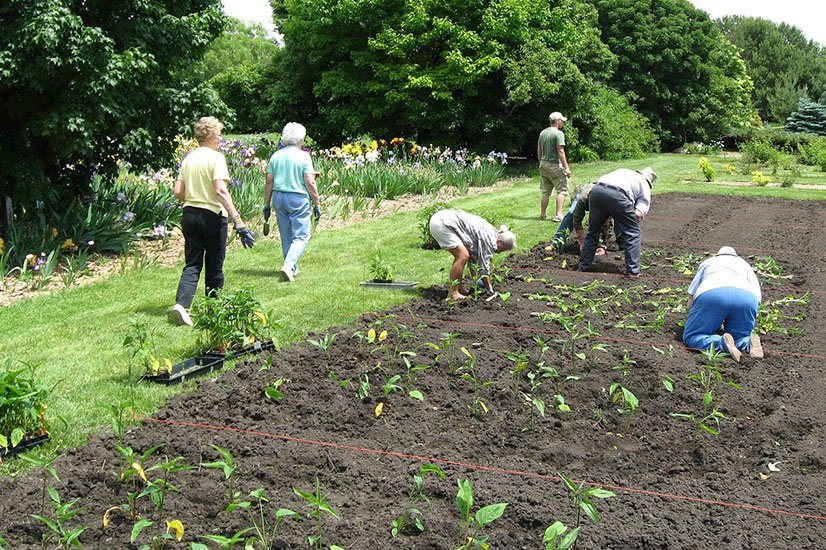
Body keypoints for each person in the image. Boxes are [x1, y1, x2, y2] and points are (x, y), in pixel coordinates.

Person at [170, 116, 255, 326]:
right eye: (219, 134)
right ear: (210, 135)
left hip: (189, 214)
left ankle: (182, 305)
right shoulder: (216, 158)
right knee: (215, 264)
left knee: (192, 263)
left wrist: (195, 196)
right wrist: (238, 221)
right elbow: (220, 191)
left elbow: (178, 192)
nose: (221, 138)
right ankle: (214, 308)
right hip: (212, 216)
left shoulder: (188, 159)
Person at [682, 247, 763, 362]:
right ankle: (747, 343)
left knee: (693, 337)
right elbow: (757, 298)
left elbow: (691, 296)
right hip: (746, 297)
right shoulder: (745, 265)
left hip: (712, 293)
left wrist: (694, 320)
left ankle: (720, 343)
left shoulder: (708, 262)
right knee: (739, 336)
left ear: (718, 254)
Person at [264, 122, 322, 283]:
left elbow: (269, 181)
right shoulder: (303, 156)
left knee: (286, 234)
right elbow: (310, 181)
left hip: (279, 197)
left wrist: (266, 204)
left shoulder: (276, 155)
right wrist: (317, 203)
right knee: (302, 236)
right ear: (301, 139)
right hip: (297, 198)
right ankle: (288, 266)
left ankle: (292, 267)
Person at [577, 167, 656, 277]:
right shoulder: (645, 184)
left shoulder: (624, 171)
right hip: (618, 195)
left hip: (596, 191)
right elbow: (638, 213)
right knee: (633, 233)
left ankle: (583, 266)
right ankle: (633, 272)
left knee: (593, 231)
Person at [429, 209, 516, 300]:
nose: (499, 252)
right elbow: (484, 267)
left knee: (464, 255)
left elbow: (473, 263)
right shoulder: (489, 241)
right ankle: (453, 294)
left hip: (442, 219)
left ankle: (459, 289)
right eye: (503, 249)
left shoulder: (492, 234)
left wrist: (475, 283)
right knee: (462, 255)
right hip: (442, 223)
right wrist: (490, 290)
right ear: (500, 241)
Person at [551, 183, 618, 254]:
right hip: (585, 192)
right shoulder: (583, 199)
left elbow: (608, 224)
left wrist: (603, 245)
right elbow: (577, 219)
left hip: (601, 194)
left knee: (602, 221)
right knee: (571, 213)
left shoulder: (606, 204)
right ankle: (556, 243)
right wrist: (582, 243)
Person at [537, 111, 571, 222]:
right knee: (562, 190)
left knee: (545, 191)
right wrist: (566, 168)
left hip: (543, 164)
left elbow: (539, 150)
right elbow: (560, 151)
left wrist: (541, 162)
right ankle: (558, 215)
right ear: (557, 121)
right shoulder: (558, 134)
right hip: (554, 165)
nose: (562, 123)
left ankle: (542, 214)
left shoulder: (543, 133)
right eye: (561, 121)